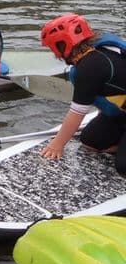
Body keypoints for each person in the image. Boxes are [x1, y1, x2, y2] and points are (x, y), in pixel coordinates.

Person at [39, 14, 126, 174]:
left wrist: (56, 145)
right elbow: (109, 90)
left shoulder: (89, 67)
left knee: (123, 167)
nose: (55, 54)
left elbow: (77, 113)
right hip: (121, 112)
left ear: (61, 45)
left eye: (53, 49)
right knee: (90, 141)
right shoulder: (99, 49)